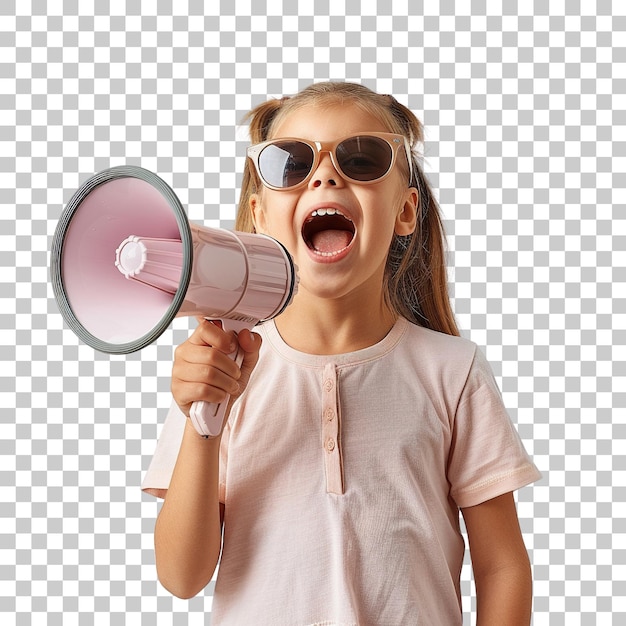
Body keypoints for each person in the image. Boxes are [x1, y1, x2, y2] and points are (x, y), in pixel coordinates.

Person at [142, 81, 541, 625]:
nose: (325, 176)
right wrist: (203, 423)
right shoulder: (220, 372)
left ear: (405, 212)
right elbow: (181, 576)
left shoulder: (453, 372)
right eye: (291, 164)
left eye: (362, 159)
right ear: (260, 214)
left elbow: (502, 567)